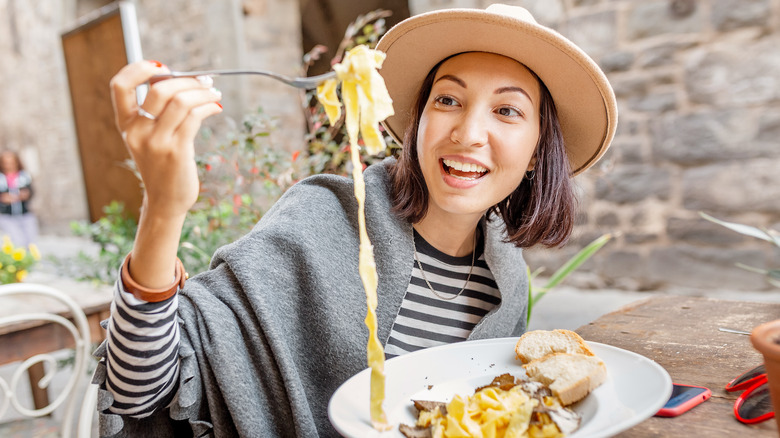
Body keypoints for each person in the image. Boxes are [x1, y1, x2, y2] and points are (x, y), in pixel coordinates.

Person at [95, 4, 617, 437]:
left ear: (534, 154)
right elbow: (139, 387)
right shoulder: (321, 219)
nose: (468, 132)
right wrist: (164, 206)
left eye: (506, 111)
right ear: (415, 124)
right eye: (448, 100)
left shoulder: (505, 280)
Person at [0, 150, 38, 248]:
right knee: (18, 241)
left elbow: (31, 191)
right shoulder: (1, 178)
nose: (9, 165)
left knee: (31, 242)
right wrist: (3, 198)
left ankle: (31, 261)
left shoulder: (24, 176)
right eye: (6, 163)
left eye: (11, 162)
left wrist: (26, 194)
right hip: (7, 215)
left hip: (25, 213)